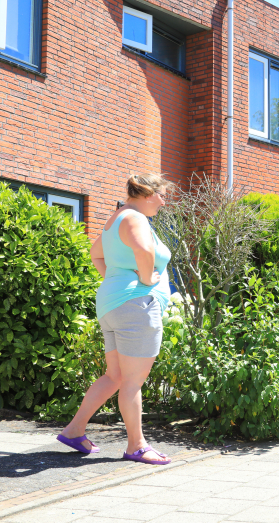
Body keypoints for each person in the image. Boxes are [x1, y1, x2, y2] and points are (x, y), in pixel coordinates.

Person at [58, 174, 174, 465]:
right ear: (147, 194)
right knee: (132, 382)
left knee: (116, 376)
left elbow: (96, 254)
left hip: (114, 305)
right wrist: (146, 279)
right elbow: (145, 251)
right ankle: (136, 446)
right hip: (136, 307)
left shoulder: (116, 219)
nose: (163, 201)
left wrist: (117, 281)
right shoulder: (135, 218)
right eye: (160, 195)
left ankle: (74, 430)